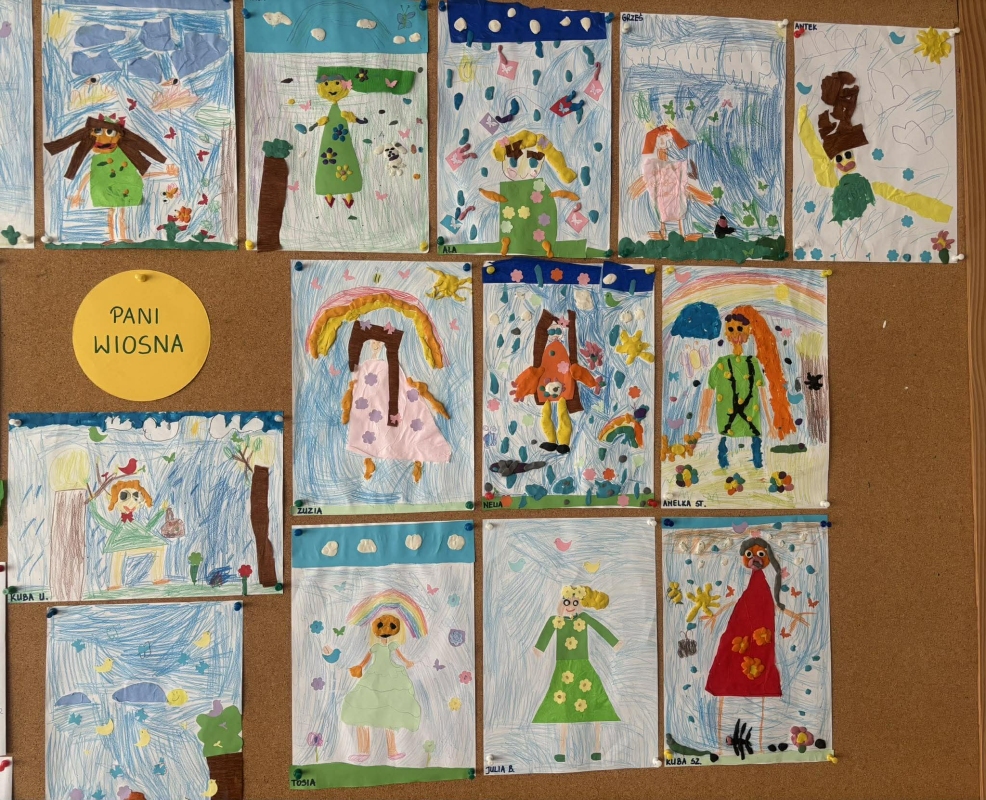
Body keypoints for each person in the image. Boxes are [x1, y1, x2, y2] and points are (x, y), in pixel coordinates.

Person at [703, 537, 812, 753]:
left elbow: (777, 602)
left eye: (760, 555)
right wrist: (717, 615)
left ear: (768, 557)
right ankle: (725, 738)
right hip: (739, 631)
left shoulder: (769, 581)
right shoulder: (739, 579)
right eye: (750, 555)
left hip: (762, 633)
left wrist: (792, 613)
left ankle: (759, 739)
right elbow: (732, 601)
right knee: (731, 657)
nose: (755, 559)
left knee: (762, 665)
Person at [44, 113, 178, 244]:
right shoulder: (98, 159)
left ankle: (121, 237)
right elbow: (91, 175)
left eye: (109, 132)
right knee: (112, 212)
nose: (103, 139)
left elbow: (140, 173)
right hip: (106, 190)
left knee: (120, 213)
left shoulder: (125, 156)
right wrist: (78, 192)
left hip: (126, 190)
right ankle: (114, 238)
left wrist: (164, 172)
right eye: (98, 131)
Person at [342, 322, 452, 482]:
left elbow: (399, 386)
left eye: (377, 342)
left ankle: (412, 460)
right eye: (372, 342)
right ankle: (371, 456)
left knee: (404, 428)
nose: (375, 345)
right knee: (370, 428)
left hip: (391, 406)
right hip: (369, 407)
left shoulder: (388, 366)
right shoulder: (365, 366)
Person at [532, 585, 622, 763]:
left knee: (594, 702)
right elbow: (545, 635)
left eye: (575, 602)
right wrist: (539, 649)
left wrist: (615, 642)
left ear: (579, 603)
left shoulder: (584, 618)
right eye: (567, 602)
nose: (571, 606)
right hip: (563, 668)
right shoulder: (555, 621)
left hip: (583, 666)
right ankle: (562, 750)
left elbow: (600, 628)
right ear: (561, 603)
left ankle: (597, 748)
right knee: (562, 707)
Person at [698, 305, 795, 470]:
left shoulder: (753, 363)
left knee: (754, 442)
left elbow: (762, 393)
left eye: (739, 329)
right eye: (731, 329)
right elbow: (709, 391)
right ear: (727, 333)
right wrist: (702, 421)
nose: (736, 334)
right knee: (725, 442)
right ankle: (723, 462)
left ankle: (757, 462)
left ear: (748, 332)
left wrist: (771, 424)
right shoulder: (721, 363)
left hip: (750, 418)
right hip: (727, 420)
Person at [311, 67, 416, 210]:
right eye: (326, 84)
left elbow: (354, 119)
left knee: (345, 159)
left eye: (336, 83)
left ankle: (348, 192)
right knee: (328, 161)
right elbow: (320, 122)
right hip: (330, 144)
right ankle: (328, 191)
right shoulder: (332, 111)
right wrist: (316, 124)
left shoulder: (343, 112)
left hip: (342, 140)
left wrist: (359, 120)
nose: (332, 88)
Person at [338, 600, 426, 762]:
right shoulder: (375, 648)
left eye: (391, 627)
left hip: (390, 678)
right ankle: (363, 751)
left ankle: (392, 750)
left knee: (389, 713)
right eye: (381, 626)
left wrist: (408, 663)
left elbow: (401, 657)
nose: (385, 631)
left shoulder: (392, 646)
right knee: (362, 710)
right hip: (374, 677)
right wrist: (359, 667)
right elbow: (365, 661)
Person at [479, 130, 582, 257]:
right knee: (510, 227)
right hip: (512, 232)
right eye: (513, 162)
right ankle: (509, 244)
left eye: (533, 163)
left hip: (541, 229)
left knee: (541, 227)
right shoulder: (508, 189)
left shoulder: (540, 187)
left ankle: (544, 247)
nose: (523, 171)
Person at [513, 311, 598, 455]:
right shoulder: (543, 350)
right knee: (545, 415)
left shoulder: (564, 349)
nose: (555, 334)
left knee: (562, 414)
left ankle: (564, 442)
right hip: (545, 387)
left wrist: (591, 382)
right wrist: (521, 386)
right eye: (551, 331)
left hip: (563, 387)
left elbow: (575, 369)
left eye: (558, 331)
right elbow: (533, 372)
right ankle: (551, 440)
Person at [628, 124, 713, 240]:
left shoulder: (677, 164)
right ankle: (663, 232)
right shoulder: (653, 165)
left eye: (666, 138)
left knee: (678, 206)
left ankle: (681, 233)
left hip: (674, 184)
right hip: (663, 185)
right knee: (661, 206)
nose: (663, 142)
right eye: (660, 139)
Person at [88, 479, 169, 591]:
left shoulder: (135, 524)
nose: (131, 503)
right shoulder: (121, 526)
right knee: (118, 552)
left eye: (136, 498)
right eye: (124, 496)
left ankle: (158, 577)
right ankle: (115, 583)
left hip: (137, 542)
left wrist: (161, 512)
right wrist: (92, 505)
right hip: (121, 543)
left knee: (161, 546)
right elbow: (102, 522)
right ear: (114, 500)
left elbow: (147, 528)